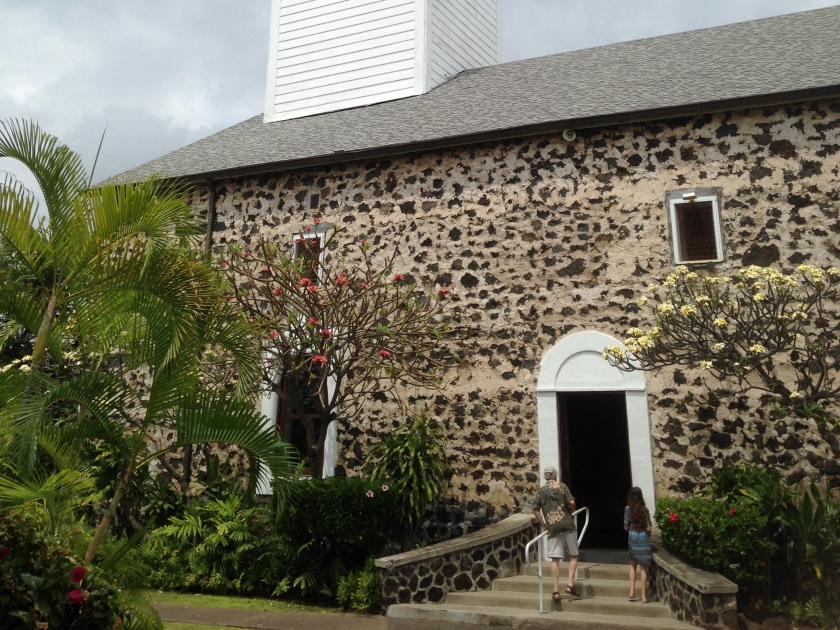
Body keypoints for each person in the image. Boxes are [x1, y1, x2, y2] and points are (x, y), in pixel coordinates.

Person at [533, 467, 580, 600]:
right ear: (555, 475)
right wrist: (572, 510)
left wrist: (543, 524)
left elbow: (535, 509)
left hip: (552, 527)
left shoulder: (541, 491)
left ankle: (555, 591)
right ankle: (570, 584)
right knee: (574, 555)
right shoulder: (562, 486)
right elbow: (571, 502)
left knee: (555, 558)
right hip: (567, 524)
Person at [624, 486, 653, 603]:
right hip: (644, 540)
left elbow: (625, 527)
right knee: (643, 568)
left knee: (633, 566)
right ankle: (644, 596)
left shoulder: (628, 509)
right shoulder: (645, 510)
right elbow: (649, 527)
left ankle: (632, 592)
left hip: (633, 539)